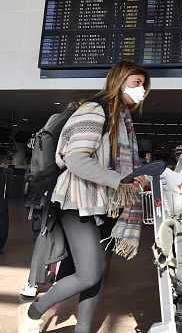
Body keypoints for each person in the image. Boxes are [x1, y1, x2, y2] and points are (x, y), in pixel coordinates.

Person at [17, 60, 151, 333]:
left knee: (98, 273)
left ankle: (84, 329)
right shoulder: (94, 109)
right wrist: (121, 180)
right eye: (137, 83)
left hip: (105, 203)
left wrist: (133, 178)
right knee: (87, 273)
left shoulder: (121, 118)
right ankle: (32, 312)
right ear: (119, 81)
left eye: (144, 86)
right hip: (78, 200)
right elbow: (76, 160)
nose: (142, 91)